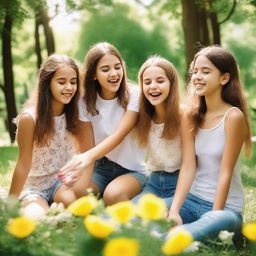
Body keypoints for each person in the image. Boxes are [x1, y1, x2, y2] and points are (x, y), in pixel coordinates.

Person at [167, 45, 252, 243]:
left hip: (225, 210)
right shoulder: (190, 115)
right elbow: (188, 167)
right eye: (195, 71)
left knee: (186, 234)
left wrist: (212, 216)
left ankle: (170, 239)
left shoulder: (233, 117)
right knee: (145, 213)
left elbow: (225, 172)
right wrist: (174, 210)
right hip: (191, 201)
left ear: (224, 78)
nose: (197, 76)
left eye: (205, 72)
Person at [59, 42, 147, 205]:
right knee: (73, 194)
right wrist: (79, 187)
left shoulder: (135, 95)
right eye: (105, 69)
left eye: (117, 67)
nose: (114, 73)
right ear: (93, 75)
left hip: (132, 170)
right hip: (101, 168)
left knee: (112, 195)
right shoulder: (84, 103)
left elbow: (119, 135)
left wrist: (86, 157)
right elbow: (87, 146)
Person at [9, 54, 80, 213]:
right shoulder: (29, 119)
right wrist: (10, 205)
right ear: (47, 83)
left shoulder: (76, 114)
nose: (69, 87)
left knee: (73, 207)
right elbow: (23, 164)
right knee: (36, 217)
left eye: (73, 82)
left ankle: (55, 206)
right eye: (61, 82)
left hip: (63, 183)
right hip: (35, 187)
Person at [132, 56, 182, 204]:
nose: (153, 86)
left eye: (160, 81)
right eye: (147, 82)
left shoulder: (184, 116)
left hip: (180, 184)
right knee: (127, 215)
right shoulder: (143, 118)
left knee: (152, 216)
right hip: (154, 182)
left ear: (171, 84)